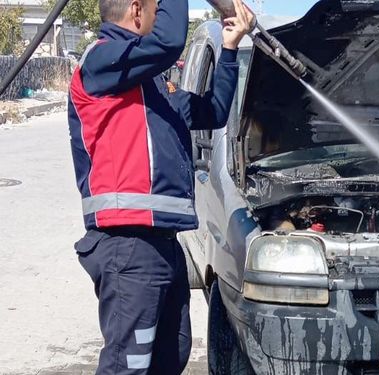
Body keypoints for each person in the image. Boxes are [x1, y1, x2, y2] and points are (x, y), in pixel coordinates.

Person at [67, 0, 254, 372]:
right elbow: (169, 42)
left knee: (171, 356)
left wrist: (230, 48)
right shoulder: (100, 63)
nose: (161, 17)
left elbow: (214, 112)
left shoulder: (153, 86)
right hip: (128, 247)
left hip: (165, 245)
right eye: (157, 8)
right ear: (137, 11)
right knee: (130, 364)